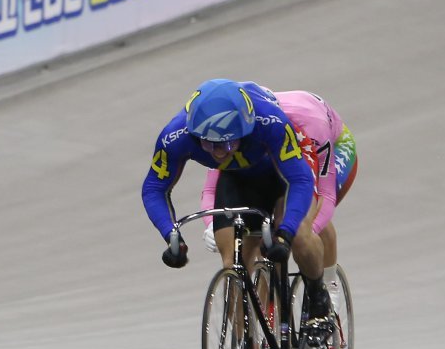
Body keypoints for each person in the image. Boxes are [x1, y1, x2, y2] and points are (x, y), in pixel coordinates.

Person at [141, 78, 332, 324]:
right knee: (233, 265)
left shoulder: (269, 121)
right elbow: (154, 188)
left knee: (301, 238)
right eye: (209, 144)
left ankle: (318, 295)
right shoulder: (176, 136)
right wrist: (171, 236)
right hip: (238, 177)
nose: (219, 151)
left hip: (282, 173)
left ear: (246, 127)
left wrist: (285, 233)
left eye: (228, 142)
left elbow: (300, 181)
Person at [198, 89, 357, 310]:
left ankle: (327, 289)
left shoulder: (311, 126)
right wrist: (211, 225)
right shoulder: (244, 130)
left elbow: (326, 196)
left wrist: (296, 233)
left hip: (327, 147)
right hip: (281, 155)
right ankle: (270, 316)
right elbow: (211, 187)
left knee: (306, 219)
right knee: (262, 234)